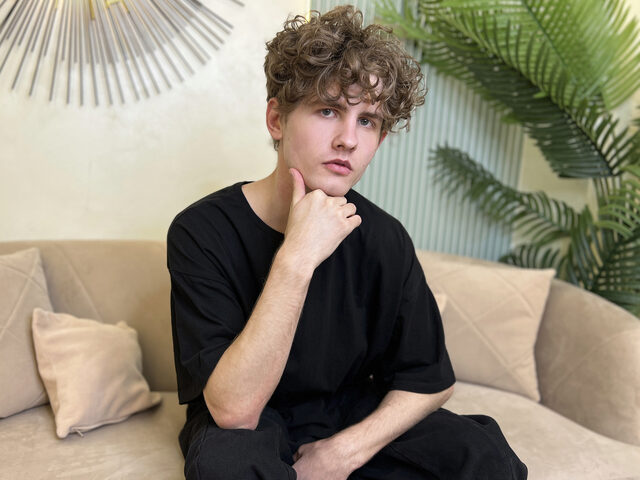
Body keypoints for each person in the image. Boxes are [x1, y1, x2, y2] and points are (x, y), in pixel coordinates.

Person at [167, 5, 528, 480]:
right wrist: (297, 257)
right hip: (248, 420)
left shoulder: (385, 237)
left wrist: (344, 452)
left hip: (351, 409)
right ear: (276, 119)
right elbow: (234, 410)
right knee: (227, 465)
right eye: (329, 110)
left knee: (484, 455)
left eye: (368, 121)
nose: (348, 140)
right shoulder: (201, 230)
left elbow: (430, 380)